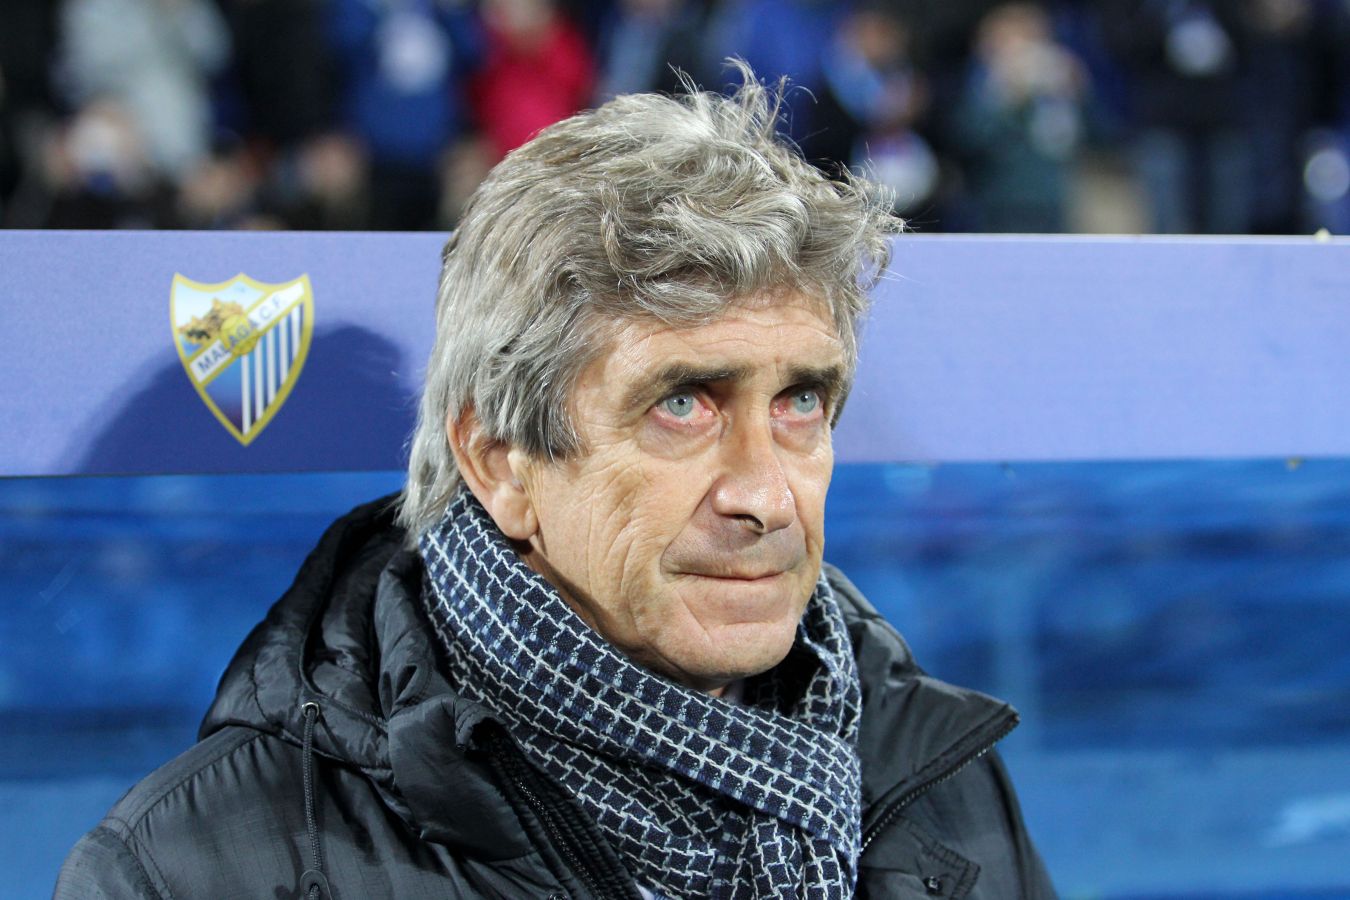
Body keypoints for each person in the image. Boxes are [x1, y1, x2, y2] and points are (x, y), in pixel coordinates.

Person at [55, 70, 1055, 899]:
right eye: (682, 404)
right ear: (499, 462)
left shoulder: (936, 776)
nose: (767, 495)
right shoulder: (193, 869)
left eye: (800, 401)